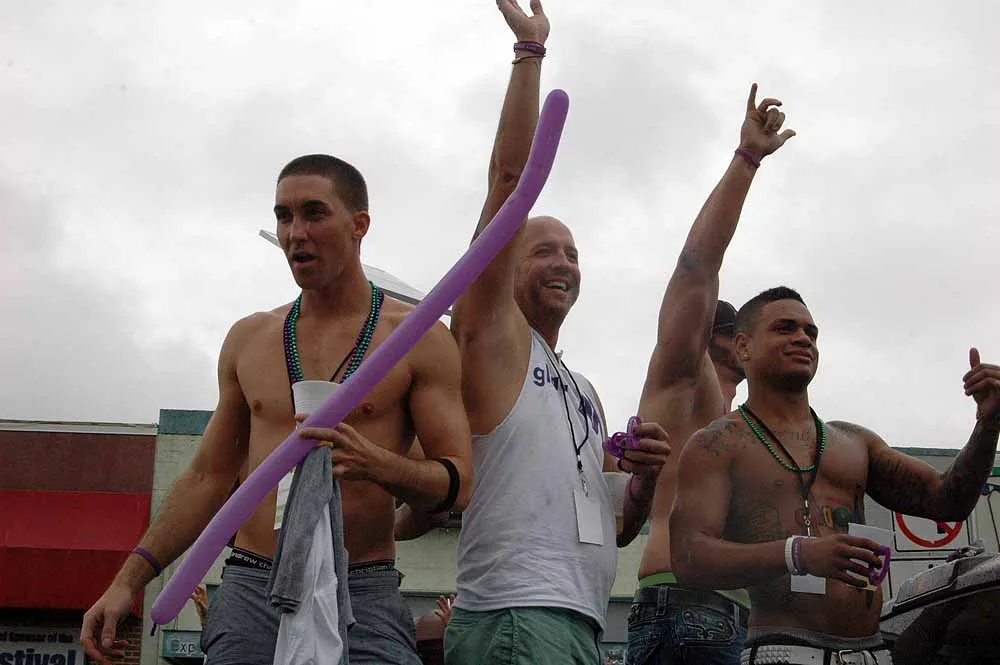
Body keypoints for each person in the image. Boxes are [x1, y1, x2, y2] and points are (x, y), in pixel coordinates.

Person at [80, 153, 474, 665]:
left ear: (359, 224)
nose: (295, 233)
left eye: (314, 213)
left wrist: (381, 466)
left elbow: (458, 483)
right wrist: (126, 582)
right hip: (253, 583)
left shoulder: (419, 339)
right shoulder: (251, 339)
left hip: (361, 587)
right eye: (284, 216)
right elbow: (208, 477)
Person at [442, 2, 670, 663]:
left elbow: (620, 522)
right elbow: (509, 184)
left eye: (572, 254)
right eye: (543, 250)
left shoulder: (584, 391)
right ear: (505, 263)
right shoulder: (494, 337)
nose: (564, 263)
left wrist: (646, 477)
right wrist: (530, 54)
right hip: (514, 615)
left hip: (580, 622)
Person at [669, 286, 1000, 664]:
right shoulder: (717, 443)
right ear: (743, 346)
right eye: (785, 328)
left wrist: (988, 424)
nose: (802, 339)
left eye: (811, 333)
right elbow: (688, 558)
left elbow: (947, 501)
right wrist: (797, 553)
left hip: (872, 652)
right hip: (783, 650)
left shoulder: (853, 442)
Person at [624, 83, 795, 665]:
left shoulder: (742, 422)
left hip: (726, 613)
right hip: (683, 604)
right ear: (725, 339)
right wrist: (746, 161)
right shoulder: (686, 379)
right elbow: (697, 267)